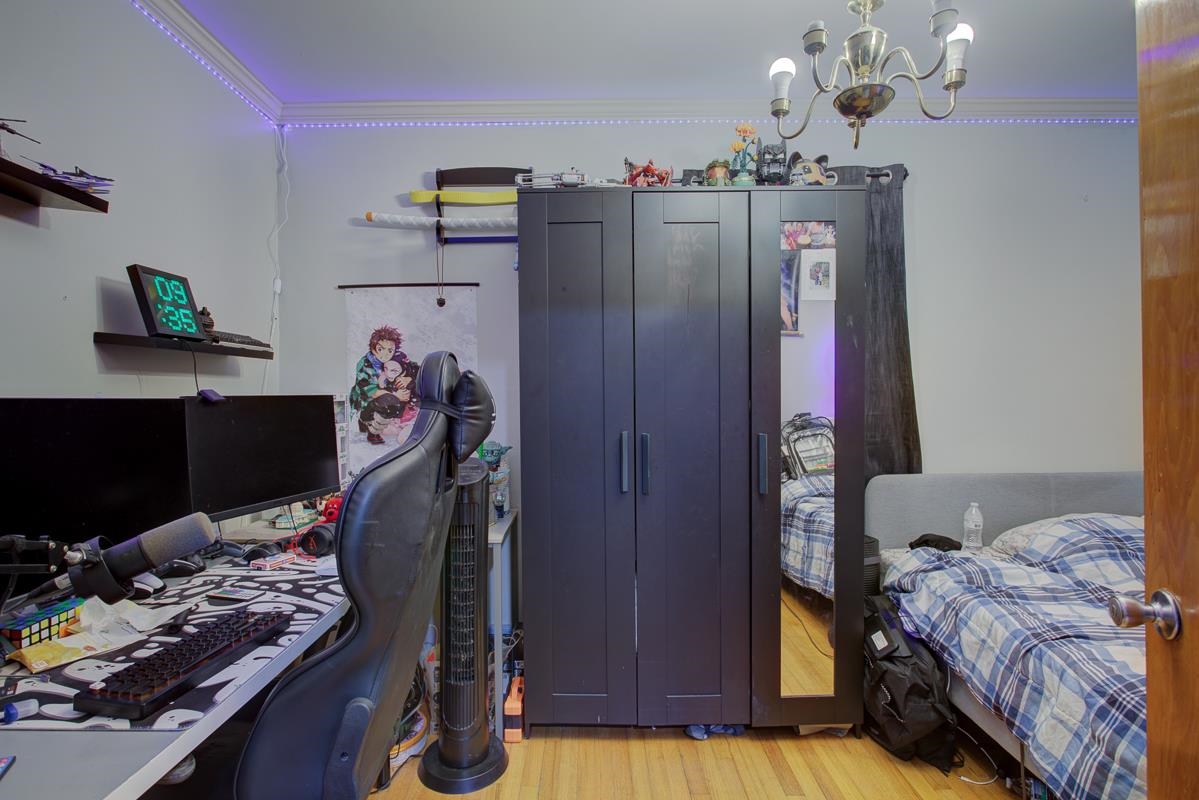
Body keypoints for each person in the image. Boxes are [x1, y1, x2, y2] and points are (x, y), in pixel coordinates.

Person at [350, 325, 407, 412]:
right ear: (373, 348)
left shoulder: (396, 357)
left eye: (390, 350)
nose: (385, 354)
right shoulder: (365, 364)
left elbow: (412, 367)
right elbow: (370, 391)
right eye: (380, 349)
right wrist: (395, 395)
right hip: (364, 404)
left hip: (388, 398)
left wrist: (407, 379)